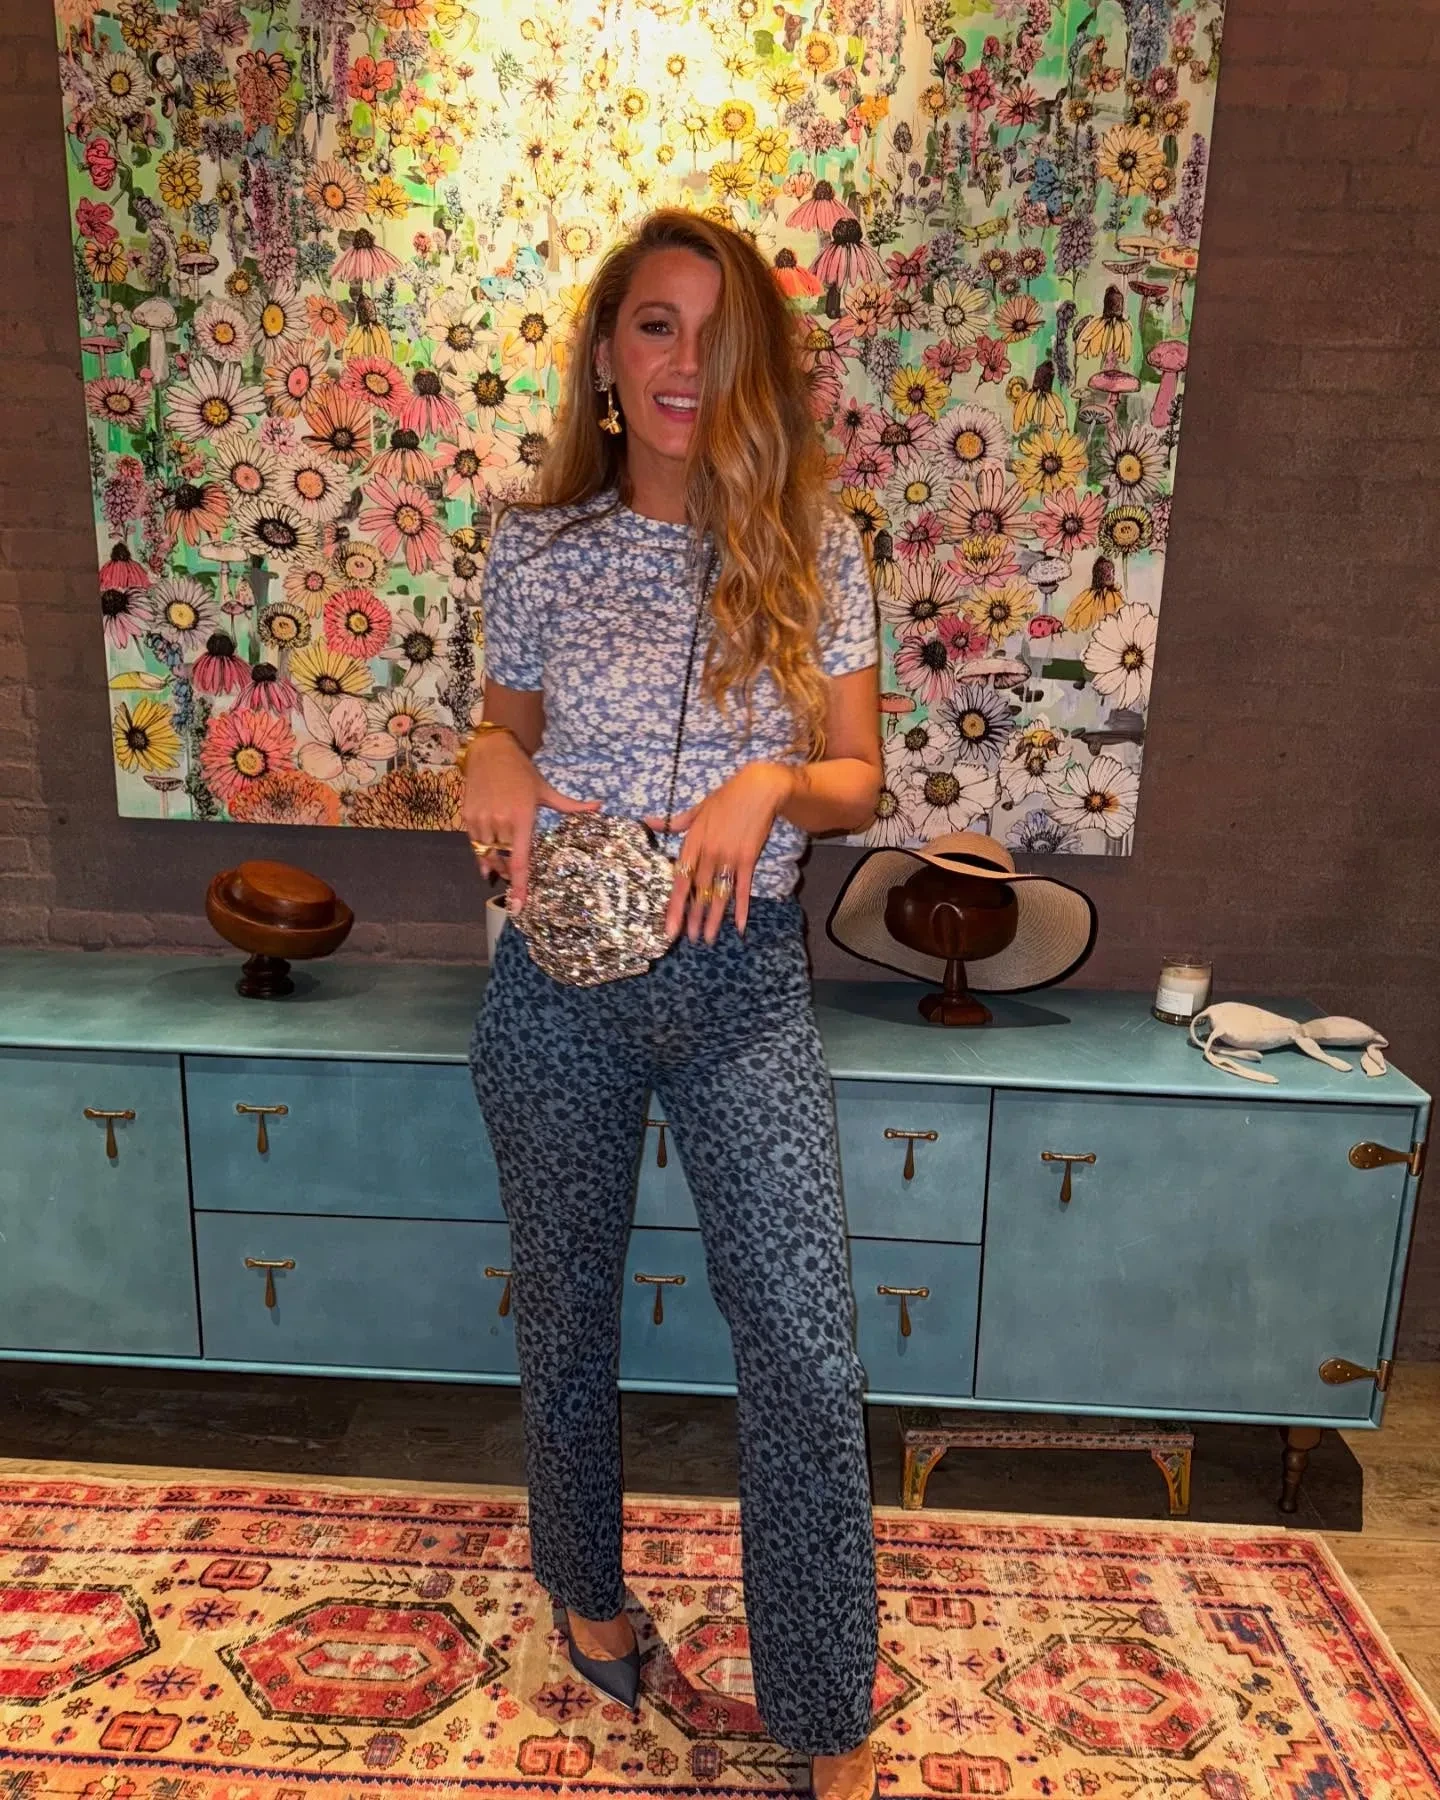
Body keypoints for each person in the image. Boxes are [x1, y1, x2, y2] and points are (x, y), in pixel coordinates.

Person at [461, 207, 883, 1800]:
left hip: (741, 983)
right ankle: (587, 1591)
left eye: (718, 334)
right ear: (607, 354)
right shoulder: (536, 548)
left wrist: (770, 784)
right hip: (556, 985)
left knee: (805, 1350)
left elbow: (858, 778)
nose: (685, 362)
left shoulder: (814, 543)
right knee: (565, 1315)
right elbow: (501, 737)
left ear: (756, 362)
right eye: (656, 324)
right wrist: (488, 758)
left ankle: (825, 1710)